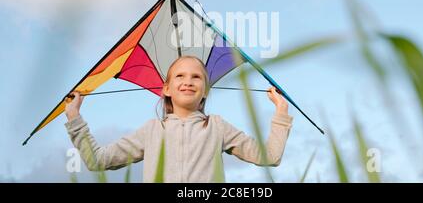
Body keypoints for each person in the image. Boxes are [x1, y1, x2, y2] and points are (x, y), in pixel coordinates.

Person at [65, 55, 294, 182]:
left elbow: (270, 156)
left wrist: (281, 112)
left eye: (196, 77)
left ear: (205, 90)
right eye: (180, 76)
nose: (188, 81)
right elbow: (97, 160)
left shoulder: (217, 126)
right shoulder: (152, 130)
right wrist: (74, 117)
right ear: (166, 88)